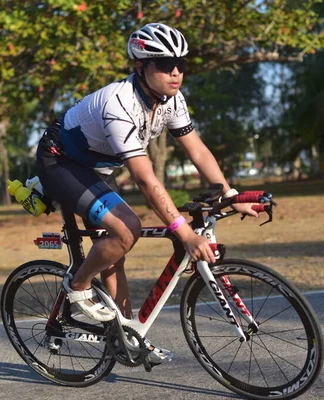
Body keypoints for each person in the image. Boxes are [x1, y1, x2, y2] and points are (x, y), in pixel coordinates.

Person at [36, 22, 259, 364]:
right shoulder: (120, 104)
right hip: (60, 163)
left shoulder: (171, 100)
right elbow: (143, 178)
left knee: (115, 253)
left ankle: (128, 334)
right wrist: (183, 231)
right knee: (127, 229)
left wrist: (230, 193)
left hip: (97, 170)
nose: (175, 72)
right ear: (141, 67)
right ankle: (77, 286)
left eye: (181, 64)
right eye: (165, 64)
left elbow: (196, 150)